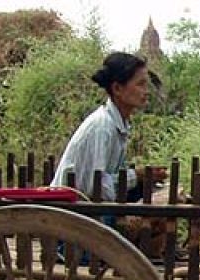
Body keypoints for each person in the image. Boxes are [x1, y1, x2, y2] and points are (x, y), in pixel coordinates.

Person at [51, 52, 167, 201]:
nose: (146, 91)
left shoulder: (117, 125)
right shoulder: (102, 127)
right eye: (140, 84)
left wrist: (140, 177)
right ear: (117, 89)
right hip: (70, 214)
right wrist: (136, 176)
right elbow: (96, 186)